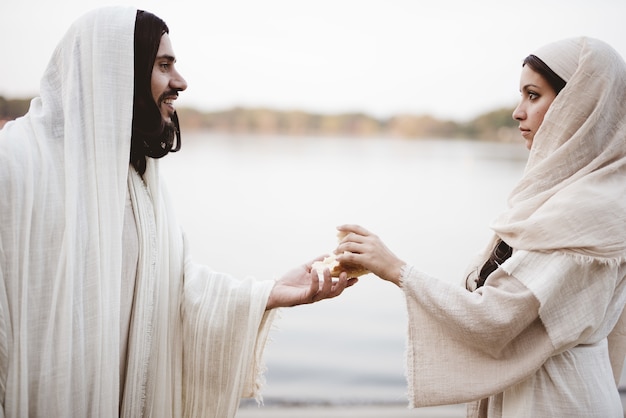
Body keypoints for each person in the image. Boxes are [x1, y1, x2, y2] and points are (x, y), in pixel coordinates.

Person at [0, 6, 355, 418]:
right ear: (119, 71)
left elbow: (173, 288)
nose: (180, 82)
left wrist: (271, 291)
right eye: (163, 65)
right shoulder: (16, 164)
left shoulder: (137, 178)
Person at [336, 37, 626, 417]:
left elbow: (496, 319)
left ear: (578, 107)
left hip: (556, 401)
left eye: (533, 96)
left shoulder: (588, 212)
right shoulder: (557, 198)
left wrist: (395, 269)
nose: (517, 112)